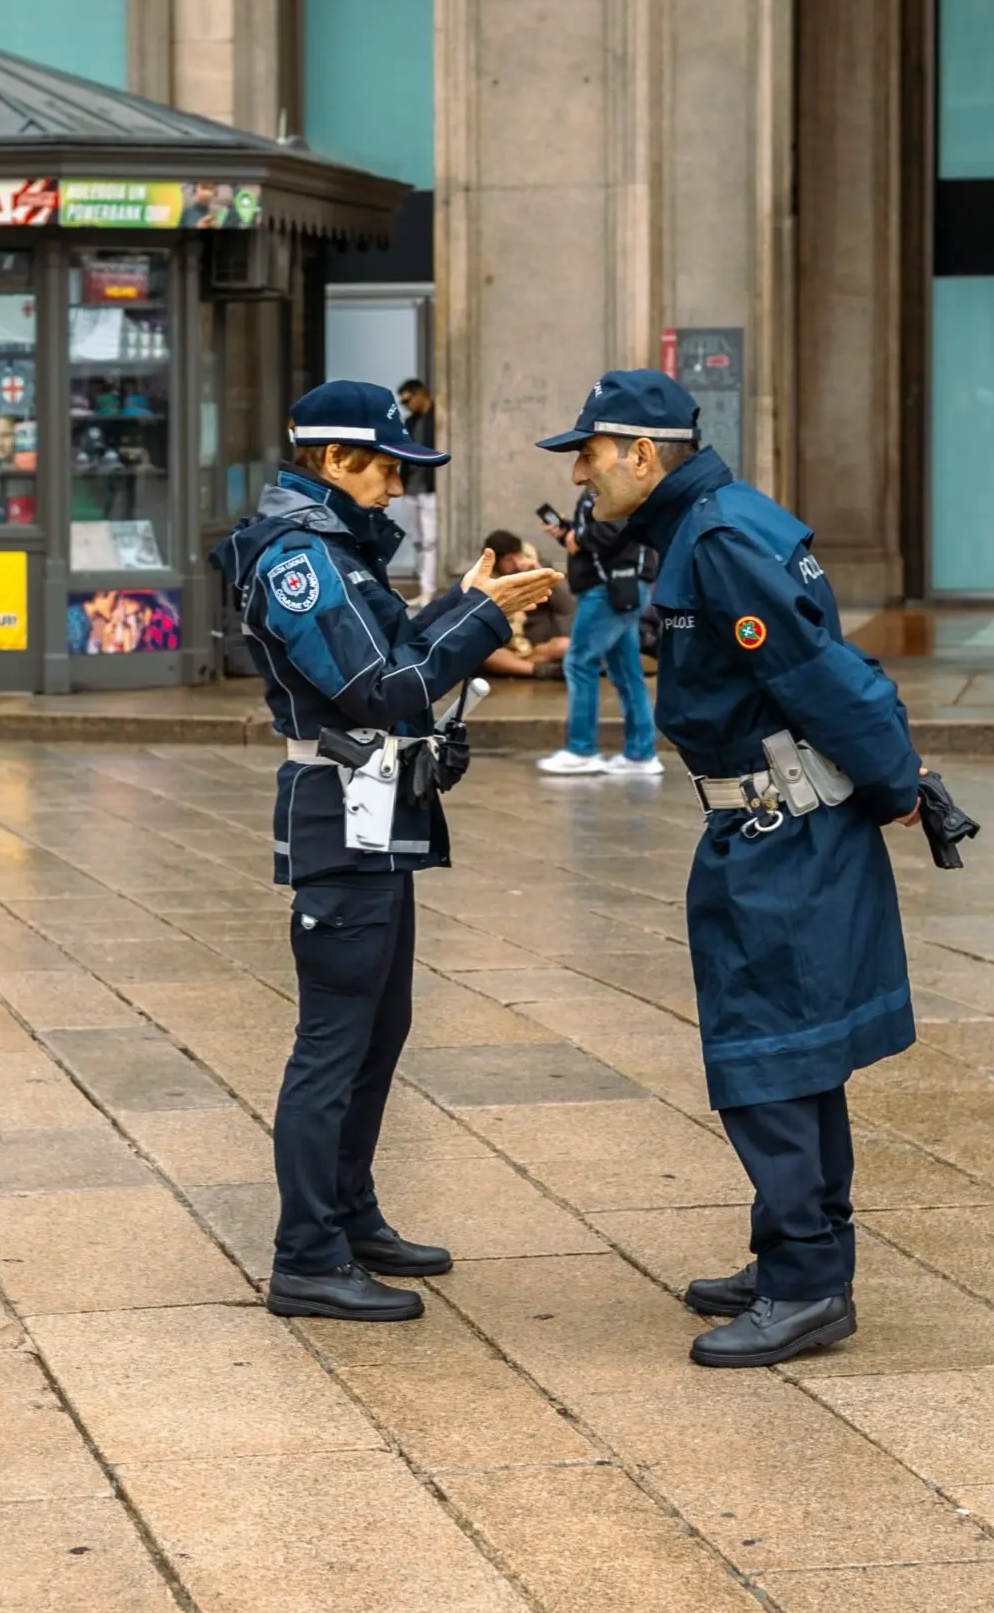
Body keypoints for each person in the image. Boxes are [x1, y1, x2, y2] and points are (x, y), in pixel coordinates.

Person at [537, 369, 923, 1368]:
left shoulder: (718, 538)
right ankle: (796, 1254)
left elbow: (819, 675)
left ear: (640, 452)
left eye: (589, 452)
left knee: (769, 1060)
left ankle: (806, 1286)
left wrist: (898, 784)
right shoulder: (702, 523)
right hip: (761, 828)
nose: (578, 471)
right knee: (795, 1053)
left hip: (781, 832)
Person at [213, 381, 558, 1323]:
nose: (397, 485)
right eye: (385, 467)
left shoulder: (336, 550)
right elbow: (378, 687)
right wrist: (483, 622)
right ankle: (306, 1256)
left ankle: (350, 1214)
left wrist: (466, 601)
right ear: (331, 460)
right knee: (332, 1042)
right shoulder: (300, 559)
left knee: (380, 1027)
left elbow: (394, 643)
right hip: (339, 810)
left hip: (376, 810)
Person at [538, 490, 662, 780]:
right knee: (626, 670)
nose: (578, 473)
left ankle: (581, 751)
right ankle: (641, 754)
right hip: (619, 587)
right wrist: (569, 533)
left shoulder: (613, 485)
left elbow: (618, 528)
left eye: (586, 455)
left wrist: (578, 537)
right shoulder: (609, 485)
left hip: (608, 588)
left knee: (579, 662)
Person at [477, 528, 572, 677]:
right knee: (486, 653)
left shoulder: (536, 567)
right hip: (506, 647)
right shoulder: (483, 581)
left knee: (566, 645)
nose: (515, 564)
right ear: (496, 562)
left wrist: (543, 575)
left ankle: (517, 668)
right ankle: (538, 670)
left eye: (517, 557)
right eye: (509, 560)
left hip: (540, 646)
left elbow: (567, 606)